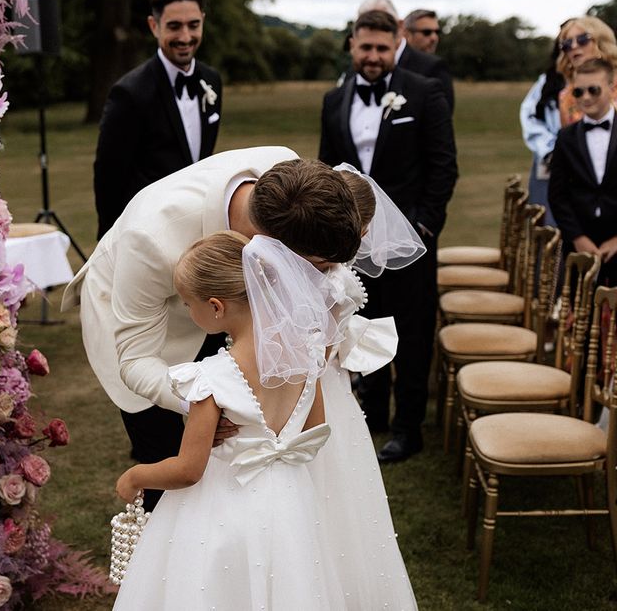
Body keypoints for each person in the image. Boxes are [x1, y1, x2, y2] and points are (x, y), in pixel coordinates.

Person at [113, 232, 418, 610]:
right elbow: (313, 428)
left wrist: (136, 477)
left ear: (216, 307)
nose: (189, 312)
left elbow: (189, 470)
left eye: (188, 304)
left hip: (226, 506)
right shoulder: (306, 359)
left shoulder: (210, 378)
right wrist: (274, 446)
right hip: (292, 497)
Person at [62, 147, 363, 510]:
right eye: (316, 266)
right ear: (274, 246)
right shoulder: (149, 238)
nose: (320, 277)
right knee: (172, 469)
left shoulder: (294, 180)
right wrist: (204, 402)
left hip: (235, 316)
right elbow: (137, 359)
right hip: (155, 333)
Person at [319, 9, 458, 463]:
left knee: (412, 333)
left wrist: (424, 224)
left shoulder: (423, 93)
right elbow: (326, 170)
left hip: (409, 241)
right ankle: (373, 414)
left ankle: (408, 428)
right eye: (366, 47)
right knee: (359, 324)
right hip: (352, 242)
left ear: (396, 46)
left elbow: (443, 166)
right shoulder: (334, 100)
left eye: (382, 48)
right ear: (352, 45)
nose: (373, 56)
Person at [93, 0, 223, 238]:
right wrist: (113, 242)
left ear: (203, 23)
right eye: (174, 26)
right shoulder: (129, 93)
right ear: (154, 26)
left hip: (198, 228)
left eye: (193, 25)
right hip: (148, 232)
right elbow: (108, 180)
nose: (185, 37)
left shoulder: (212, 81)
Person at [549, 58, 617, 284]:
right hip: (578, 246)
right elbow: (557, 195)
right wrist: (578, 238)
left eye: (594, 90)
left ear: (611, 87)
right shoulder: (565, 138)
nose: (586, 97)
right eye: (578, 92)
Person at [341, 0, 454, 112]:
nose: (374, 32)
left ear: (400, 27)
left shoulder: (432, 67)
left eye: (383, 24)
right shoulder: (352, 74)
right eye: (365, 24)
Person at [519, 41, 565, 226]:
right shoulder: (547, 81)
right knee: (546, 225)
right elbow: (529, 116)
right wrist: (550, 150)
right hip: (548, 162)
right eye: (566, 43)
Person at [555, 15, 617, 128]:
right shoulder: (566, 97)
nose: (574, 46)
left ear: (601, 42)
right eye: (567, 44)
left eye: (582, 39)